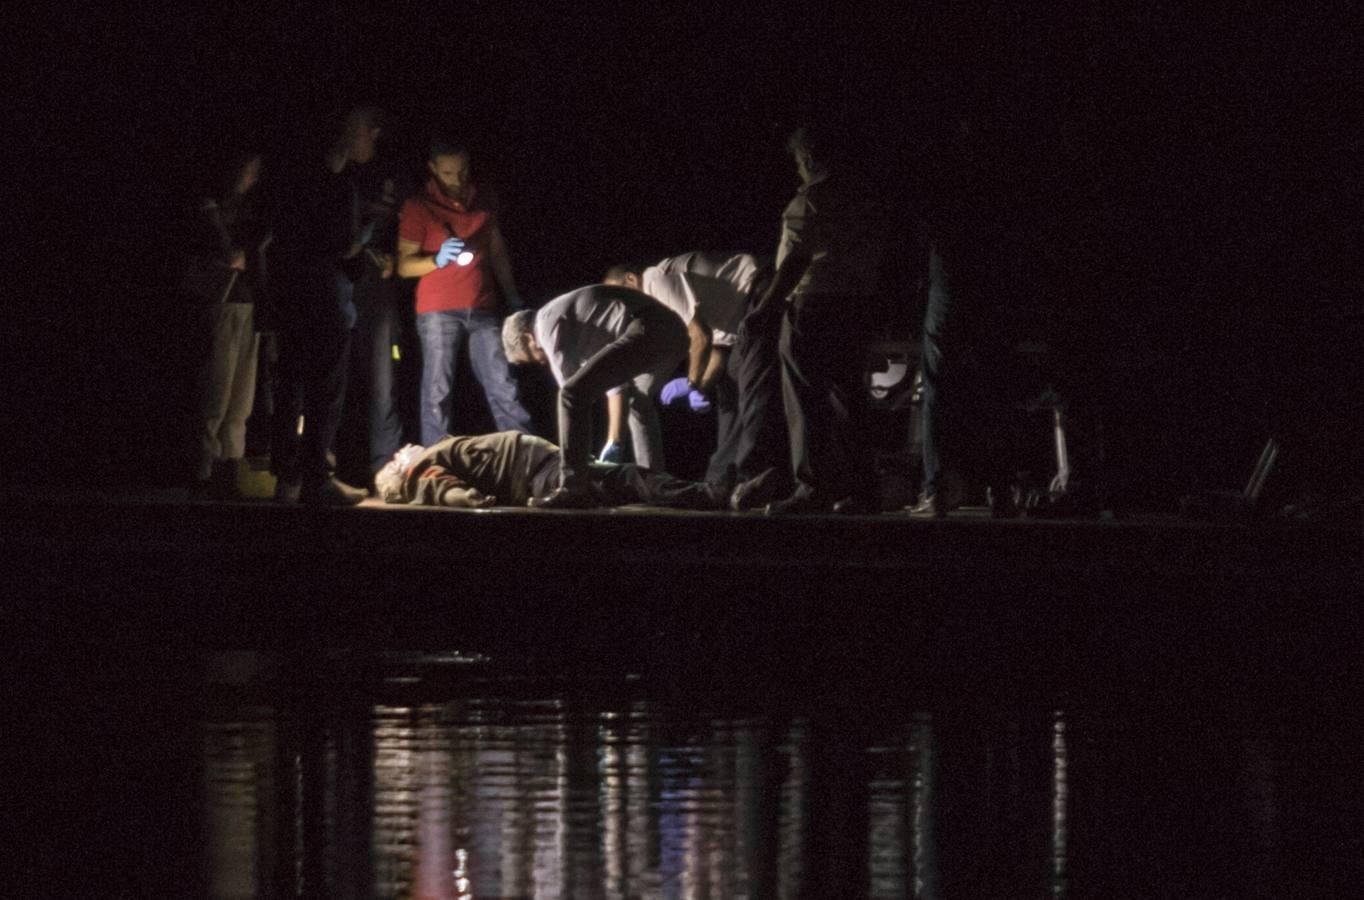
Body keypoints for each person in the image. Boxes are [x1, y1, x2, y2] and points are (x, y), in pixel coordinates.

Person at [755, 123, 890, 514]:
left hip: (813, 305)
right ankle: (863, 490)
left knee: (802, 397)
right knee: (848, 396)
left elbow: (797, 259)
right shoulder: (865, 199)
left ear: (809, 158)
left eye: (798, 162)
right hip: (857, 304)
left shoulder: (811, 199)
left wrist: (767, 306)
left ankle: (812, 487)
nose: (798, 170)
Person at [500, 284, 688, 508]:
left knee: (571, 395)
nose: (541, 362)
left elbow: (571, 394)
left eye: (531, 358)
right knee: (637, 401)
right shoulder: (577, 321)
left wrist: (576, 456)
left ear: (529, 338)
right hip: (673, 330)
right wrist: (613, 440)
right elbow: (616, 387)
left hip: (647, 326)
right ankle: (657, 484)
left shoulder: (547, 323)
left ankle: (572, 487)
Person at [396, 140, 533, 446]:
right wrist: (436, 259)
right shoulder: (418, 206)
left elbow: (497, 250)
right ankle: (436, 462)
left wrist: (512, 296)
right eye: (447, 173)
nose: (457, 180)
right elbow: (404, 266)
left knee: (503, 384)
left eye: (462, 171)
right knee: (437, 390)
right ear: (432, 169)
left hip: (483, 307)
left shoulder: (484, 197)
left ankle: (527, 456)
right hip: (437, 311)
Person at [267, 118, 372, 505]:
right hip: (327, 299)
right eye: (365, 131)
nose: (371, 138)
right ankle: (317, 477)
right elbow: (344, 247)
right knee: (324, 391)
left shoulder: (292, 185)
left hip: (293, 296)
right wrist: (365, 238)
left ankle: (286, 474)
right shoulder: (340, 186)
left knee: (290, 385)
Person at [603, 252, 762, 485]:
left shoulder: (656, 280)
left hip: (760, 292)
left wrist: (691, 383)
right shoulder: (662, 301)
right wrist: (702, 386)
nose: (621, 304)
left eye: (619, 293)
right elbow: (718, 344)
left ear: (630, 279)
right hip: (743, 321)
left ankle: (739, 481)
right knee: (730, 396)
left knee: (751, 398)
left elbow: (700, 335)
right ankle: (723, 482)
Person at [333, 105, 410, 488]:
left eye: (355, 128)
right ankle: (327, 464)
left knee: (383, 379)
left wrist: (396, 258)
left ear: (374, 131)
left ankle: (386, 467)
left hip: (377, 288)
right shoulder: (336, 172)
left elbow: (407, 227)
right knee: (333, 377)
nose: (348, 134)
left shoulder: (390, 175)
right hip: (337, 283)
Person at [186, 150, 270, 498]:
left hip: (246, 305)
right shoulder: (209, 210)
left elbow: (253, 254)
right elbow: (201, 260)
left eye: (254, 172)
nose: (249, 178)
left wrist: (249, 257)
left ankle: (230, 469)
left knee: (241, 399)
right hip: (220, 305)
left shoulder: (251, 213)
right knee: (216, 393)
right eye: (245, 170)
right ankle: (204, 471)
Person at [374, 431, 724, 510]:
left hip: (544, 467)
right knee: (627, 479)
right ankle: (714, 495)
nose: (400, 451)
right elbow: (442, 487)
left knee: (625, 480)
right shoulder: (420, 467)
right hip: (540, 473)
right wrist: (471, 500)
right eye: (394, 459)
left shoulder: (434, 454)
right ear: (401, 471)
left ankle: (712, 494)